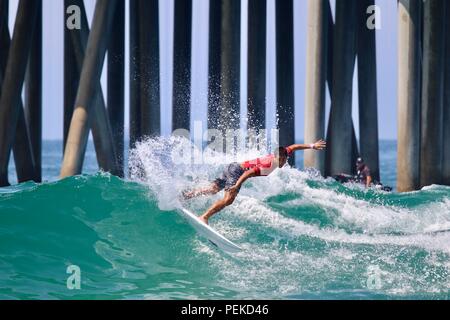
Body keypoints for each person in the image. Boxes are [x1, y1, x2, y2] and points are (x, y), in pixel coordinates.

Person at [182, 140, 326, 224]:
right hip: (238, 171)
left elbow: (294, 147)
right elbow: (248, 173)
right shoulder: (269, 164)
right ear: (277, 158)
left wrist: (312, 146)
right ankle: (204, 217)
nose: (284, 162)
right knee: (228, 200)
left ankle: (187, 195)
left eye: (285, 159)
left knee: (213, 189)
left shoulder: (282, 153)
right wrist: (236, 185)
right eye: (282, 160)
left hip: (233, 166)